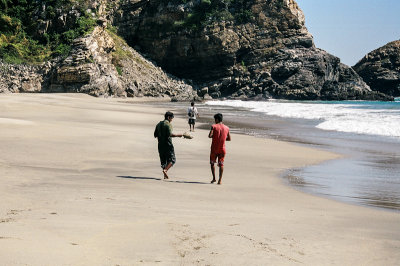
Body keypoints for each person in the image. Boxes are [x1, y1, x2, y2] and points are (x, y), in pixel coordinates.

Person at [154, 111, 183, 179]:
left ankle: (165, 176)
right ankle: (165, 170)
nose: (172, 120)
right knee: (172, 159)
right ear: (168, 117)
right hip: (168, 144)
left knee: (163, 160)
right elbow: (170, 134)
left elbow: (155, 135)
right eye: (171, 118)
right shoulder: (168, 124)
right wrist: (178, 135)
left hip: (160, 144)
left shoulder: (158, 124)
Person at [208, 113, 231, 185]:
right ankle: (220, 180)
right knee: (221, 164)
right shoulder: (227, 128)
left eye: (215, 119)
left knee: (212, 163)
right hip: (222, 149)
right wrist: (222, 139)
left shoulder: (213, 126)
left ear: (217, 119)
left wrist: (215, 136)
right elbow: (229, 138)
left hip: (214, 149)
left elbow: (210, 135)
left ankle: (214, 178)